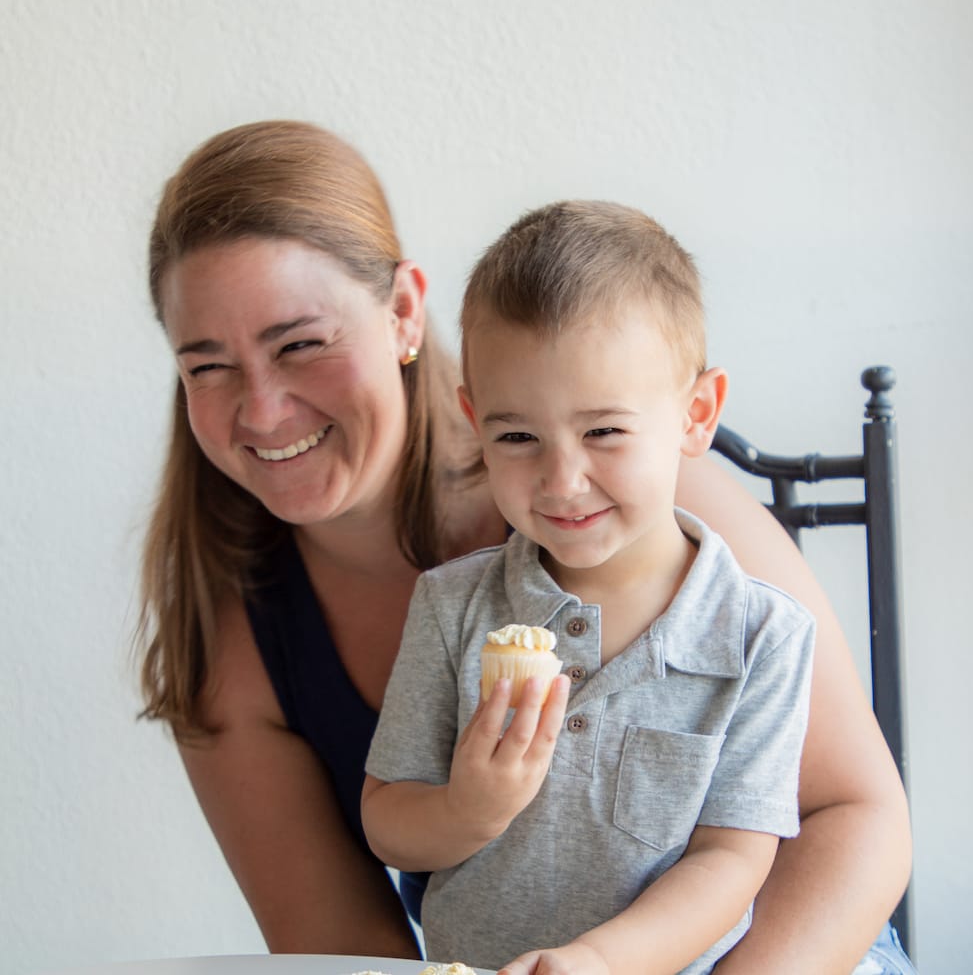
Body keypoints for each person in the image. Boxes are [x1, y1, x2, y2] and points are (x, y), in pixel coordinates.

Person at [135, 119, 914, 973]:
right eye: (207, 366)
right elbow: (345, 948)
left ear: (402, 313)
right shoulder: (239, 638)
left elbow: (859, 820)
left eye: (301, 343)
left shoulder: (633, 496)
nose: (263, 410)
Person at [361, 200, 817, 974]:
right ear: (475, 421)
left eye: (603, 431)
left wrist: (601, 961)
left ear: (695, 414)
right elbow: (386, 819)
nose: (562, 480)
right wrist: (468, 810)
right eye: (517, 437)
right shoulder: (451, 606)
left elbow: (732, 860)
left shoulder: (761, 636)